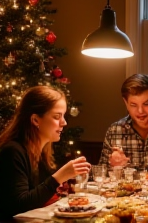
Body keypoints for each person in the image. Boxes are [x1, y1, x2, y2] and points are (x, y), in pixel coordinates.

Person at [0, 85, 91, 219]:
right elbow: (18, 206)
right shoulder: (13, 151)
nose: (64, 122)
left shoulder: (41, 150)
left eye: (63, 116)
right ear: (36, 120)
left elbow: (42, 194)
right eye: (57, 116)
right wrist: (58, 177)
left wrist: (66, 182)